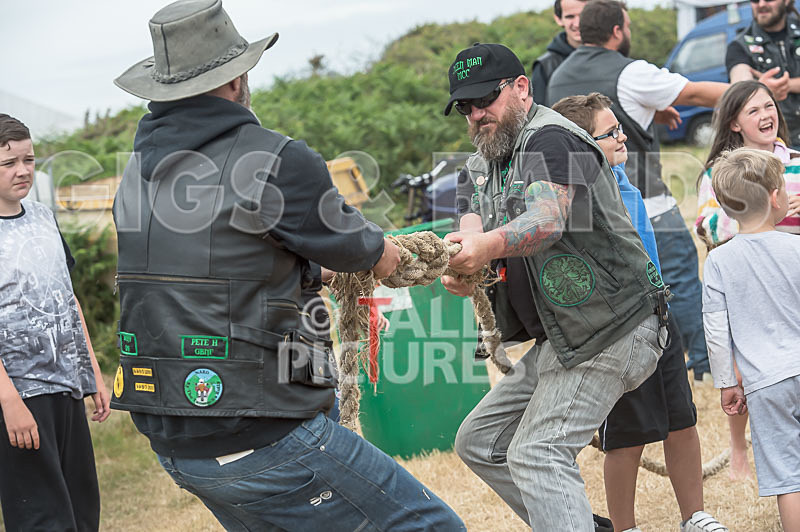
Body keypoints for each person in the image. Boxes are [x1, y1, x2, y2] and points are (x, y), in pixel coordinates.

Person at [110, 1, 464, 530]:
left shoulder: (136, 175)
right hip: (258, 428)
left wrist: (312, 273)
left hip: (170, 435)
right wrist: (395, 256)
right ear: (236, 78)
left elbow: (220, 272)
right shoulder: (274, 158)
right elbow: (362, 251)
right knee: (432, 526)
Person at [442, 42, 669, 531]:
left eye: (487, 98)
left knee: (537, 452)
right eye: (466, 105)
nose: (477, 113)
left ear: (522, 88)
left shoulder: (551, 139)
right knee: (479, 441)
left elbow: (547, 220)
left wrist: (483, 247)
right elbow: (471, 225)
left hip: (612, 329)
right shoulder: (482, 163)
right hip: (568, 336)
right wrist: (468, 266)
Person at [552, 93, 727, 532]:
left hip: (658, 315)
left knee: (682, 421)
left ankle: (695, 516)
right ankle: (626, 527)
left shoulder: (622, 179)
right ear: (581, 144)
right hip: (620, 332)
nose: (621, 135)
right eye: (609, 132)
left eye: (618, 127)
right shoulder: (579, 198)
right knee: (626, 438)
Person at [547, 0, 728, 385]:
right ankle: (704, 366)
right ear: (617, 30)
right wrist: (752, 93)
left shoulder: (559, 76)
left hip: (589, 213)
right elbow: (695, 93)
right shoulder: (631, 71)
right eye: (626, 25)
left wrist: (651, 111)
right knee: (679, 280)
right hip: (644, 200)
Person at [0, 114, 110, 531]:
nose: (23, 170)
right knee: (41, 517)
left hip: (64, 387)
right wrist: (10, 402)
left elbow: (67, 299)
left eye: (29, 159)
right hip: (18, 396)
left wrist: (93, 373)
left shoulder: (44, 217)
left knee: (81, 511)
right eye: (8, 163)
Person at [695, 80, 800, 481]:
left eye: (768, 105)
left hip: (790, 275)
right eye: (753, 110)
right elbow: (708, 226)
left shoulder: (795, 160)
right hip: (749, 279)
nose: (765, 115)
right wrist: (770, 213)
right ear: (734, 123)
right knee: (742, 367)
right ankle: (738, 448)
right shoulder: (719, 174)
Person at [702, 148, 800, 532]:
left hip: (766, 384)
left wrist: (727, 382)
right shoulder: (797, 247)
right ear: (777, 197)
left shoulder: (719, 262)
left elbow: (715, 332)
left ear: (726, 210)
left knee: (789, 478)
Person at [725, 0, 800, 148]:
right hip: (777, 147)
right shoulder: (739, 46)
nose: (761, 4)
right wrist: (759, 90)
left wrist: (787, 85)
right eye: (755, 0)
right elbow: (739, 83)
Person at [531, 0, 587, 105]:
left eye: (584, 15)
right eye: (570, 16)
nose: (577, 23)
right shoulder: (544, 66)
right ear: (558, 19)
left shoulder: (611, 57)